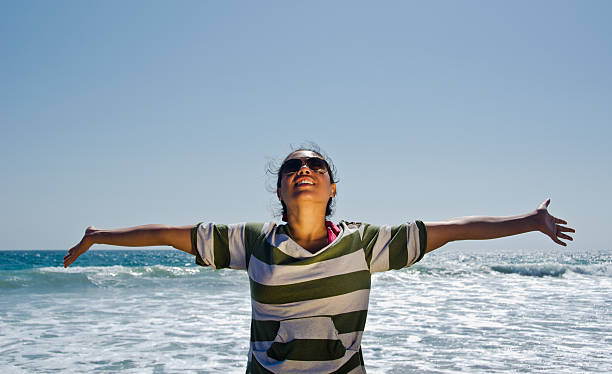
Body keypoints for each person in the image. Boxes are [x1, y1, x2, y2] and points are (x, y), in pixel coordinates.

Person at [64, 146, 575, 374]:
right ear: (281, 185)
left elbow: (455, 231)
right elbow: (169, 235)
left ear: (331, 187)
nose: (304, 170)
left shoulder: (365, 243)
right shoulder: (252, 240)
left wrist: (528, 222)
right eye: (293, 166)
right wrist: (100, 235)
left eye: (316, 165)